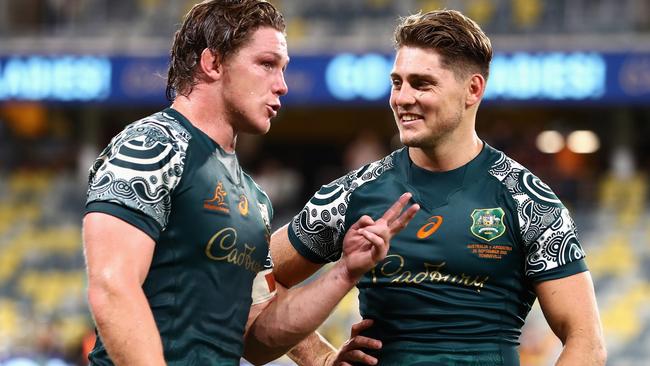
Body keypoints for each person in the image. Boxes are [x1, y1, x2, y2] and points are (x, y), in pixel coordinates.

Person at [82, 1, 419, 365]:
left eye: (283, 69)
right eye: (267, 64)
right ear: (213, 63)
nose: (283, 86)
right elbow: (112, 286)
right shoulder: (152, 145)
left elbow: (255, 338)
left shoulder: (253, 197)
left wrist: (345, 272)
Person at [270, 9, 607, 366]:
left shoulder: (529, 201)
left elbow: (586, 341)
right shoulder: (353, 193)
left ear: (472, 89)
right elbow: (250, 277)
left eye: (421, 83)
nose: (401, 98)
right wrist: (320, 358)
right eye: (397, 82)